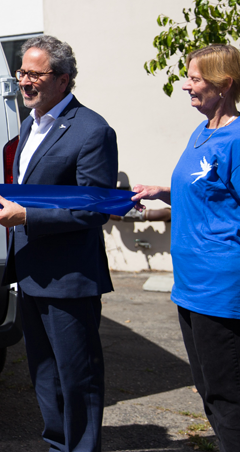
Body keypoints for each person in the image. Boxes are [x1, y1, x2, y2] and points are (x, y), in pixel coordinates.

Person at [0, 35, 117, 452]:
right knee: (44, 375)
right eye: (21, 71)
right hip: (31, 272)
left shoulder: (93, 130)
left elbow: (94, 208)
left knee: (77, 377)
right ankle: (57, 444)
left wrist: (27, 217)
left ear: (63, 80)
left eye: (34, 74)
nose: (23, 81)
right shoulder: (31, 124)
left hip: (70, 278)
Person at [132, 44, 240, 451]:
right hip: (191, 285)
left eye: (195, 78)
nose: (186, 86)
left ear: (224, 84)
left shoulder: (237, 139)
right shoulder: (203, 131)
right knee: (208, 390)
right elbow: (209, 195)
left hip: (221, 288)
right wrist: (163, 192)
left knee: (227, 396)